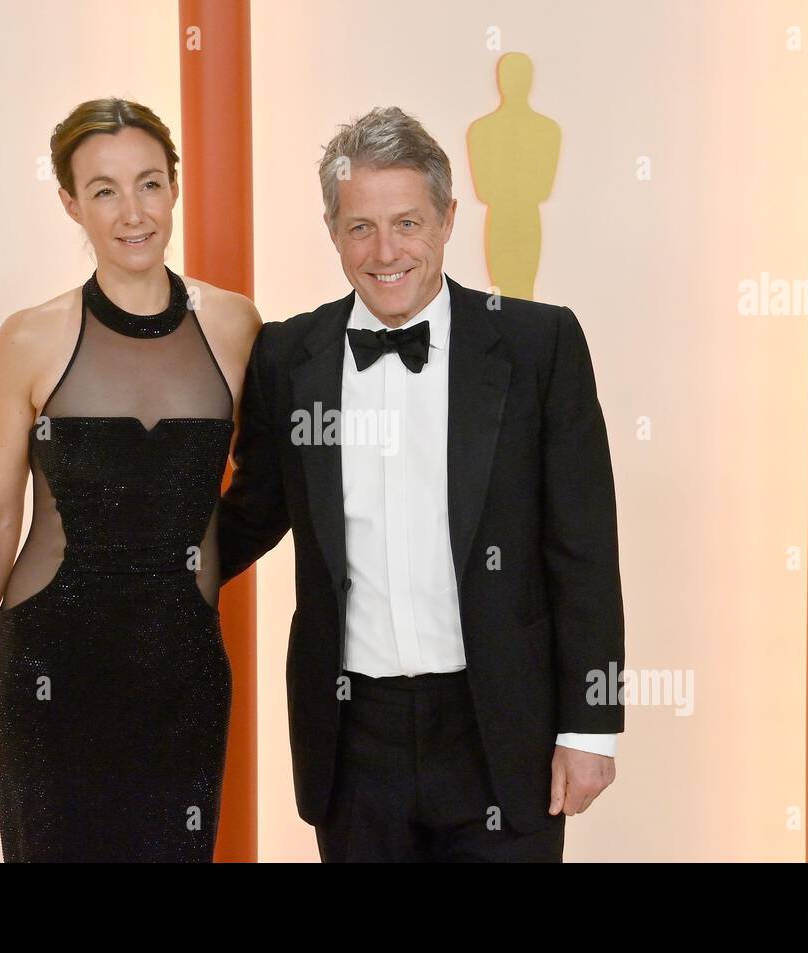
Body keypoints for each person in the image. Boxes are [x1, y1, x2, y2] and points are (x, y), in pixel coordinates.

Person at [217, 106, 625, 862]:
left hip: (504, 729)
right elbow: (250, 515)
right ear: (333, 232)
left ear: (446, 221)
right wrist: (132, 573)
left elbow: (585, 549)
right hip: (351, 737)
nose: (384, 251)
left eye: (407, 222)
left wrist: (590, 725)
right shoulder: (286, 355)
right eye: (359, 227)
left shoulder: (541, 344)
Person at [0, 98, 262, 861]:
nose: (132, 213)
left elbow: (270, 485)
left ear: (175, 188)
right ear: (70, 204)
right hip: (51, 668)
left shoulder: (237, 325)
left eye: (150, 183)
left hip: (182, 668)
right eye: (104, 190)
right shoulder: (28, 337)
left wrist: (196, 575)